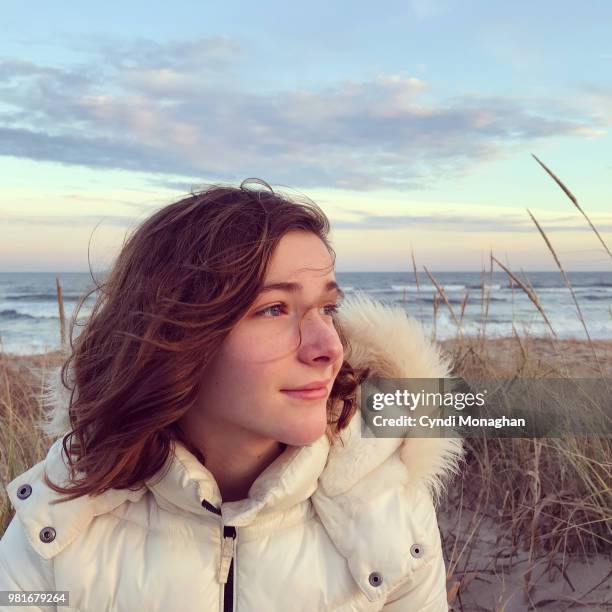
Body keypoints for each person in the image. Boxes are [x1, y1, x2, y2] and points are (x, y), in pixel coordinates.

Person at [0, 179, 464, 611]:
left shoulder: (389, 516)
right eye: (274, 309)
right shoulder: (56, 522)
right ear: (174, 334)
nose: (328, 348)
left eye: (327, 308)